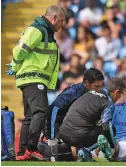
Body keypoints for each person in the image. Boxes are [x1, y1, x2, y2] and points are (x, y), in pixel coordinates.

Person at [6, 5, 67, 161]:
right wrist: (14, 63)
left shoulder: (46, 32)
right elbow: (21, 49)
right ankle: (31, 148)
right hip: (33, 77)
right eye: (61, 21)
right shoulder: (38, 30)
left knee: (30, 116)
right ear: (53, 18)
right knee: (41, 112)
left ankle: (21, 153)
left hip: (32, 78)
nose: (62, 25)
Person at [59, 77, 126, 161]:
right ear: (116, 92)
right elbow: (106, 127)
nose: (120, 97)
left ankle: (83, 151)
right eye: (122, 94)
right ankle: (86, 150)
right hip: (77, 137)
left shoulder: (91, 92)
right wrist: (113, 147)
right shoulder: (108, 102)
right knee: (111, 129)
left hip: (63, 132)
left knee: (95, 127)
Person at [44, 68, 104, 140]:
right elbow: (53, 109)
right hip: (59, 127)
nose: (99, 89)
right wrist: (52, 137)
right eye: (96, 86)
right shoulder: (73, 92)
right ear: (87, 83)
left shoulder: (95, 95)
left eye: (101, 86)